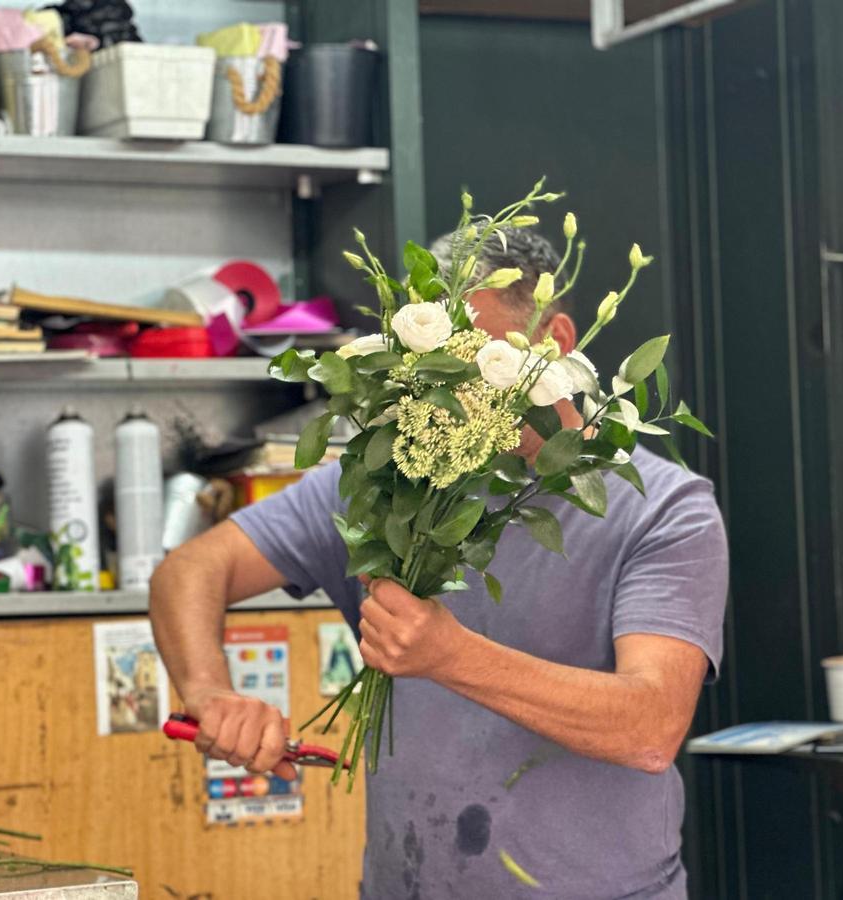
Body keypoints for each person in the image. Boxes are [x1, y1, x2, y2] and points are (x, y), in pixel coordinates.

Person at [149, 226, 729, 899]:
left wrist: (450, 655)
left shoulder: (664, 509)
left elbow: (650, 727)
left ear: (557, 343)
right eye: (437, 364)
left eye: (476, 360)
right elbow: (189, 570)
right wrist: (210, 691)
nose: (454, 389)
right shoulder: (393, 480)